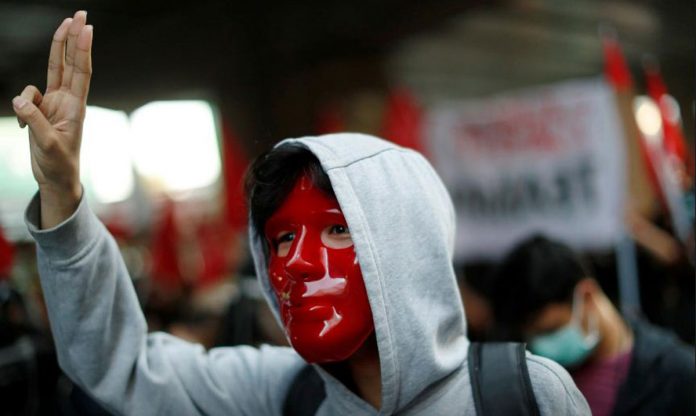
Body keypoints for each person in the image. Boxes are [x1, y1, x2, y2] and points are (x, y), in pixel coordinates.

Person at [11, 11, 590, 415]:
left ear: (407, 245)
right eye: (282, 239)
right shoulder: (279, 395)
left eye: (338, 230)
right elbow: (121, 366)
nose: (297, 265)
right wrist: (63, 194)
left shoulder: (527, 396)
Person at [486, 235, 695, 416]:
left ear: (586, 295)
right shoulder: (531, 383)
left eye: (550, 330)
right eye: (531, 338)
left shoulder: (675, 374)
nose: (541, 347)